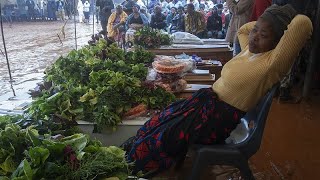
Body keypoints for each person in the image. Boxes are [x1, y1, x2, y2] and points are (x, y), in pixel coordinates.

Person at [123, 4, 313, 176]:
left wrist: (284, 12)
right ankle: (132, 153)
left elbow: (303, 24)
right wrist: (267, 19)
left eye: (264, 36)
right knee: (160, 120)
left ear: (279, 43)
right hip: (206, 105)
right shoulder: (250, 50)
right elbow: (243, 29)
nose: (254, 37)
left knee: (165, 136)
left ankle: (134, 166)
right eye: (256, 31)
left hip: (216, 119)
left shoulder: (272, 64)